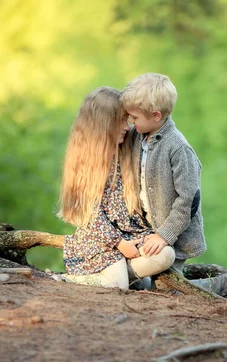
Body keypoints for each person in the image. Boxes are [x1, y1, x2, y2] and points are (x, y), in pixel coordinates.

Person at [121, 73, 227, 298]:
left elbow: (188, 201)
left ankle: (226, 285)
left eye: (135, 118)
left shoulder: (178, 149)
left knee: (168, 291)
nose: (131, 123)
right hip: (147, 229)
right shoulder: (140, 136)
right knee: (144, 282)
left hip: (174, 235)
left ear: (156, 115)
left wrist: (164, 235)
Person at [58, 86, 175, 290]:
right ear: (102, 125)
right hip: (100, 240)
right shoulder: (86, 162)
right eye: (121, 121)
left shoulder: (124, 150)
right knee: (118, 286)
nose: (126, 126)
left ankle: (119, 276)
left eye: (128, 120)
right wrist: (120, 244)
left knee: (166, 255)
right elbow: (92, 216)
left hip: (128, 235)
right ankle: (70, 280)